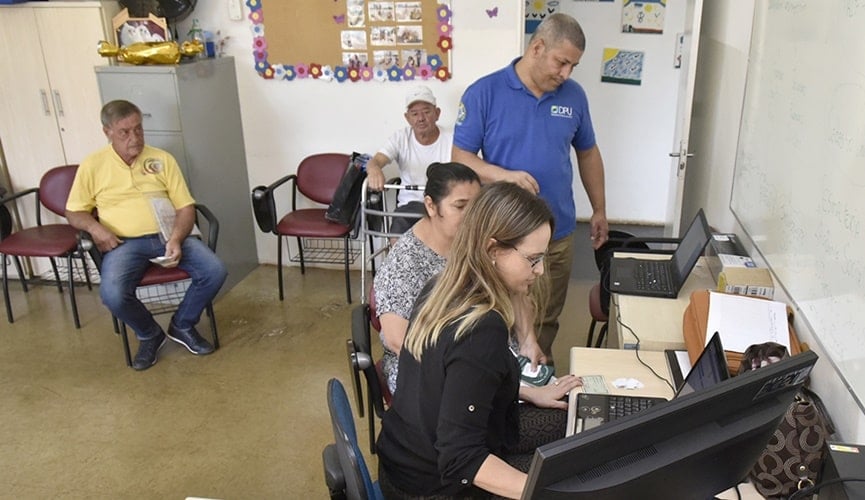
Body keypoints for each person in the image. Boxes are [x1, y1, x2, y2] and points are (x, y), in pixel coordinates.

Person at [376, 182, 584, 499]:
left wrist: (530, 393)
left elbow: (454, 384)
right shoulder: (481, 329)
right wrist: (546, 493)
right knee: (572, 475)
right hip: (431, 486)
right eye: (533, 259)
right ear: (491, 251)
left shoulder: (441, 286)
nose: (540, 270)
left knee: (568, 422)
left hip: (403, 460)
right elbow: (461, 459)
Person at [452, 13, 610, 364]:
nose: (566, 73)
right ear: (537, 47)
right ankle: (503, 379)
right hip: (506, 238)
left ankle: (538, 381)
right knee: (501, 316)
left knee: (545, 319)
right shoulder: (485, 92)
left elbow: (588, 153)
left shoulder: (574, 96)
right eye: (562, 62)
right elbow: (461, 158)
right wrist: (501, 175)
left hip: (559, 233)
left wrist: (599, 209)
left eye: (573, 65)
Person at [66, 100, 227, 371]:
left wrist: (176, 238)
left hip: (168, 234)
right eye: (125, 132)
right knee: (113, 294)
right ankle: (149, 334)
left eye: (139, 129)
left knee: (215, 270)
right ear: (107, 132)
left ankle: (182, 325)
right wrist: (96, 229)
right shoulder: (93, 165)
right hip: (122, 243)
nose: (135, 138)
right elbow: (74, 212)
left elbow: (185, 207)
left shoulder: (162, 159)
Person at [373, 162, 481, 395]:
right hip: (424, 370)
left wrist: (527, 341)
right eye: (460, 206)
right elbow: (397, 340)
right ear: (431, 206)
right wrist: (468, 371)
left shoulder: (471, 243)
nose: (471, 216)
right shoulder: (405, 262)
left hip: (471, 351)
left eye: (476, 206)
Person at [365, 85, 454, 234]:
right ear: (407, 118)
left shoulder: (452, 139)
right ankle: (397, 256)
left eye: (426, 112)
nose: (421, 118)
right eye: (414, 114)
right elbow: (376, 160)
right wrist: (374, 169)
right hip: (410, 206)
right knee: (400, 226)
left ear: (437, 114)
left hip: (443, 204)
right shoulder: (401, 138)